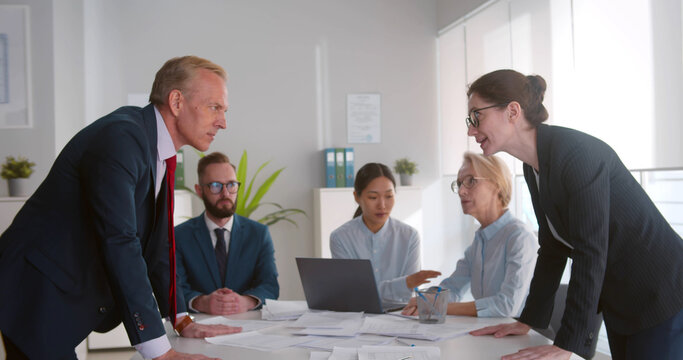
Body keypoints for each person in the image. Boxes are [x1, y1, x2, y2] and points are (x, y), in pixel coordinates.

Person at [0, 56, 242, 360]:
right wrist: (159, 352)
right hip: (33, 290)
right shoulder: (122, 138)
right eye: (214, 107)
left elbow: (159, 246)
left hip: (58, 293)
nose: (222, 121)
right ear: (177, 101)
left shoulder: (158, 151)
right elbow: (120, 240)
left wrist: (180, 318)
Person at [465, 69, 683, 360]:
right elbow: (553, 248)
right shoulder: (534, 166)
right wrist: (529, 320)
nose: (470, 130)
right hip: (623, 302)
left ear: (512, 111)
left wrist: (568, 343)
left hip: (663, 295)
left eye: (476, 116)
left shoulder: (576, 153)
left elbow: (590, 250)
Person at [402, 152, 537, 318]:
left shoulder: (519, 237)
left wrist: (437, 305)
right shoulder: (479, 242)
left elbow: (506, 306)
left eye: (470, 181)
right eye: (459, 184)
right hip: (490, 331)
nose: (461, 191)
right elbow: (452, 289)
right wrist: (427, 298)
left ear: (497, 184)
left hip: (520, 334)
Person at [175, 152, 279, 315]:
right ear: (199, 190)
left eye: (231, 185)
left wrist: (245, 302)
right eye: (216, 185)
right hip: (199, 327)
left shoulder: (258, 234)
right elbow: (174, 289)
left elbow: (270, 286)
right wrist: (202, 302)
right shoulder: (179, 236)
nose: (225, 193)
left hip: (249, 326)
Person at [330, 162, 441, 310]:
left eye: (389, 196)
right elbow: (351, 293)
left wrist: (406, 285)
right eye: (373, 197)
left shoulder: (409, 236)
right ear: (357, 197)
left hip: (399, 316)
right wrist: (404, 283)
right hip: (356, 316)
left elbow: (406, 295)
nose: (382, 205)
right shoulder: (341, 237)